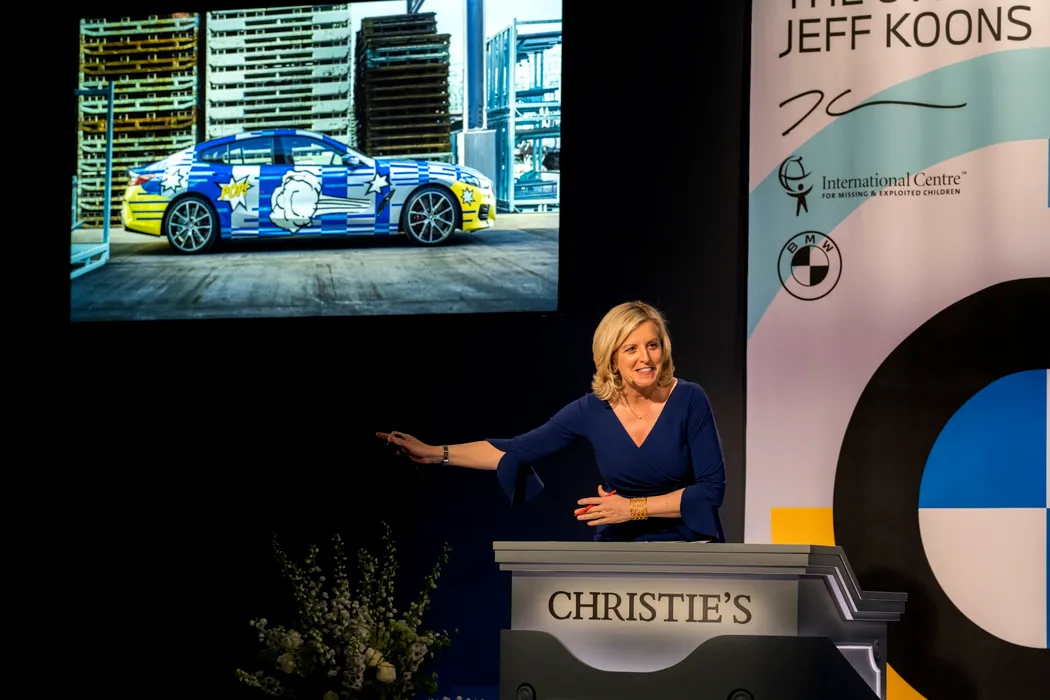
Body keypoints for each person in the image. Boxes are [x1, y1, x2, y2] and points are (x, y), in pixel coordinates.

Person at [376, 301, 727, 543]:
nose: (645, 358)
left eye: (653, 345)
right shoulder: (590, 410)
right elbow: (517, 449)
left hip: (689, 544)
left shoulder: (689, 399)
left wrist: (631, 508)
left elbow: (711, 491)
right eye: (631, 349)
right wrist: (435, 453)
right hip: (622, 547)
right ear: (611, 359)